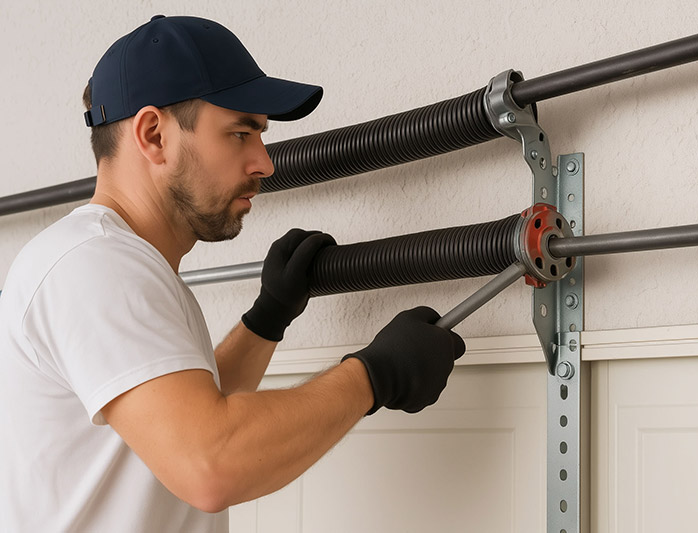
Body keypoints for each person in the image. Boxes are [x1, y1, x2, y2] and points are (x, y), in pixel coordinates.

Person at [0, 15, 465, 532]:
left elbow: (184, 415)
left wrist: (267, 319)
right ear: (154, 134)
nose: (264, 162)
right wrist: (374, 376)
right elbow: (211, 462)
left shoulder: (114, 264)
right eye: (240, 133)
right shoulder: (94, 264)